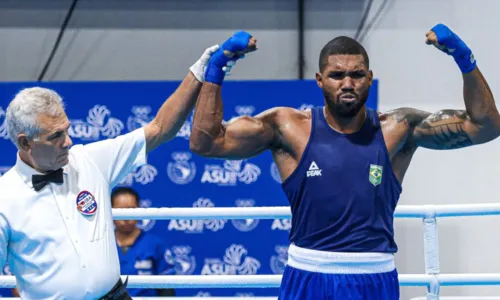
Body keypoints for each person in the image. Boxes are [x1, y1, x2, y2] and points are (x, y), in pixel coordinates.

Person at [189, 25, 500, 299]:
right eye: (337, 75)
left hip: (373, 277)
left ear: (369, 78)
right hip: (307, 274)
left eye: (356, 74)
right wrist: (218, 67)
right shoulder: (288, 126)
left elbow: (485, 127)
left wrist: (464, 58)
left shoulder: (399, 128)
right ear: (320, 80)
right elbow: (206, 142)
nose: (347, 83)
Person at [0, 35, 235, 299]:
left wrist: (199, 71)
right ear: (25, 142)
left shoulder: (89, 160)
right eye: (55, 136)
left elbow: (159, 129)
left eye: (66, 130)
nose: (68, 141)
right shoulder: (4, 198)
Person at [111, 186, 176, 297]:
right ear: (110, 210)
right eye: (120, 210)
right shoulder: (103, 245)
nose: (126, 217)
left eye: (131, 210)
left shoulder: (155, 245)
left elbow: (167, 287)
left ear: (139, 209)